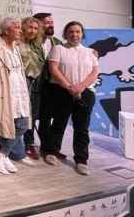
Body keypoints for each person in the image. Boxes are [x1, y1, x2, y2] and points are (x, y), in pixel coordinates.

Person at [43, 21, 99, 176]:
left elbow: (94, 73)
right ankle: (52, 151)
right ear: (66, 34)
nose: (74, 34)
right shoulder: (58, 49)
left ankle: (81, 160)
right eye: (71, 32)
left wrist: (80, 87)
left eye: (78, 32)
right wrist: (70, 87)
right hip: (62, 91)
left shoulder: (90, 52)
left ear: (82, 34)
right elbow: (53, 69)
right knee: (59, 123)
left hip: (85, 93)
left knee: (82, 128)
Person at [0, 17, 32, 174]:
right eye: (17, 28)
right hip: (4, 90)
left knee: (22, 123)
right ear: (6, 30)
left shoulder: (15, 47)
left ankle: (3, 154)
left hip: (19, 89)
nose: (20, 30)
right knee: (6, 124)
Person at [32, 12, 63, 159]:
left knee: (47, 118)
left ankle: (48, 147)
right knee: (31, 116)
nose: (51, 24)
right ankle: (29, 145)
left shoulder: (57, 42)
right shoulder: (30, 41)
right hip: (35, 85)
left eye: (52, 22)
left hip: (52, 87)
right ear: (37, 24)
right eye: (47, 22)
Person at [18, 17, 44, 160]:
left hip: (33, 84)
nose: (33, 30)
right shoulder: (16, 43)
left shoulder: (37, 46)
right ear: (23, 27)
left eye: (35, 28)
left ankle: (29, 144)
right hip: (19, 82)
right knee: (18, 115)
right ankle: (15, 146)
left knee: (31, 115)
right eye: (30, 27)